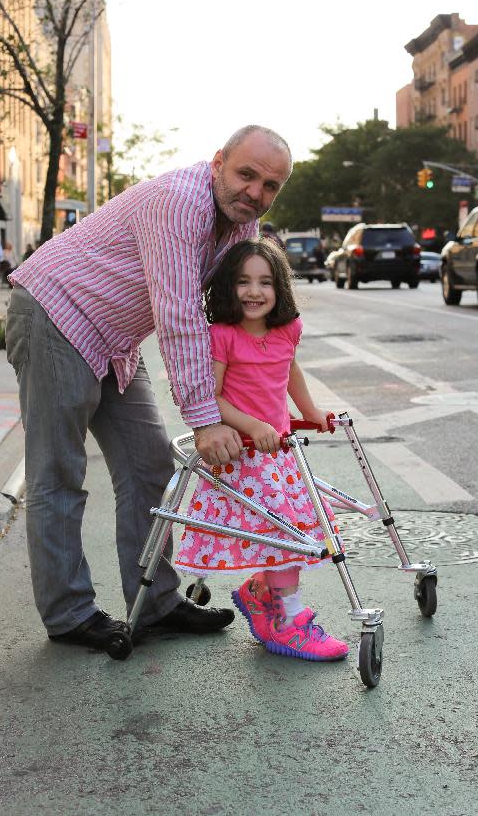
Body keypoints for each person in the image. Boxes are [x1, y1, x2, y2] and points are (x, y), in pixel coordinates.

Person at [6, 125, 293, 658]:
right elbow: (179, 315)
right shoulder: (180, 202)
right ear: (217, 163)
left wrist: (255, 403)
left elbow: (228, 325)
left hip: (113, 339)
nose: (255, 192)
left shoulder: (239, 228)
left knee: (149, 467)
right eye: (246, 175)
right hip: (55, 315)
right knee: (59, 473)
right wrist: (206, 418)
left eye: (270, 185)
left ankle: (156, 601)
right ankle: (69, 614)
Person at [175, 239, 349, 662]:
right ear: (228, 288)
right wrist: (255, 425)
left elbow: (289, 370)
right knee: (287, 535)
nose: (255, 291)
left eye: (265, 282)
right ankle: (290, 621)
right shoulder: (224, 336)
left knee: (291, 532)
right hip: (245, 455)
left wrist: (310, 411)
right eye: (243, 282)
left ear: (279, 289)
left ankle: (262, 592)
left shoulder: (288, 329)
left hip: (282, 457)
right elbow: (212, 397)